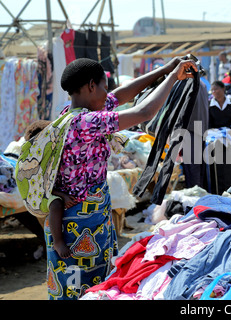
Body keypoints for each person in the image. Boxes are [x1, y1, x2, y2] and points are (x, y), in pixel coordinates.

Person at [37, 57, 197, 300]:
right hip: (79, 226)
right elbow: (144, 111)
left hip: (87, 220)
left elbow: (121, 96)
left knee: (83, 282)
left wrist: (164, 70)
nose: (106, 94)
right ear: (91, 86)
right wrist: (174, 77)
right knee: (80, 285)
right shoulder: (86, 122)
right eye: (103, 87)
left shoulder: (70, 115)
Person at [23, 120, 77, 259]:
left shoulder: (49, 155)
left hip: (45, 192)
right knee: (57, 204)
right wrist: (62, 195)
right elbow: (38, 185)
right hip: (37, 197)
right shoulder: (33, 160)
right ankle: (58, 242)